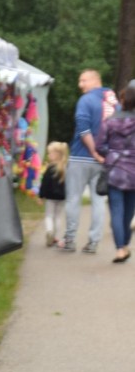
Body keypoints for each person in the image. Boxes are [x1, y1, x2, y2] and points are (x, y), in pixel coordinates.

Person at [61, 69, 119, 253]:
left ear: (95, 81)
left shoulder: (86, 100)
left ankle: (70, 239)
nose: (80, 85)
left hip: (81, 157)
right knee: (99, 202)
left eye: (83, 80)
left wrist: (94, 152)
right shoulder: (114, 102)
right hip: (105, 161)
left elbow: (83, 129)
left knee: (73, 199)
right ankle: (93, 242)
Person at [96, 80, 135, 263]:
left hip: (115, 171)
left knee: (116, 212)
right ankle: (125, 244)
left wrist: (112, 153)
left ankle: (120, 248)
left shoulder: (110, 121)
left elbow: (99, 145)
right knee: (129, 212)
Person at [38, 141, 69, 247]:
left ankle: (49, 231)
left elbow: (44, 183)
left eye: (49, 153)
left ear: (56, 154)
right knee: (58, 217)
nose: (48, 155)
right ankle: (55, 236)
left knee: (49, 216)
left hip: (50, 197)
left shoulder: (50, 168)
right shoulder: (65, 168)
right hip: (62, 197)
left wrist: (41, 196)